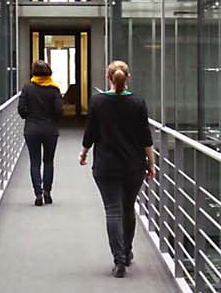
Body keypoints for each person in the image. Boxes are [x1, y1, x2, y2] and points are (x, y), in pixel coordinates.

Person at [80, 60, 155, 277]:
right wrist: (151, 163)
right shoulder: (138, 103)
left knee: (112, 210)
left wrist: (83, 153)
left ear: (108, 78)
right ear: (128, 77)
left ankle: (119, 260)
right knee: (127, 207)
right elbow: (145, 137)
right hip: (133, 166)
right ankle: (128, 251)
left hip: (106, 165)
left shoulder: (97, 101)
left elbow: (90, 133)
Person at [18, 60, 63, 206]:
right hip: (50, 130)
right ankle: (47, 192)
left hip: (32, 129)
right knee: (48, 161)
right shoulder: (54, 89)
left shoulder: (27, 88)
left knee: (35, 162)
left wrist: (29, 117)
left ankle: (38, 193)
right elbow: (59, 111)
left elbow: (21, 109)